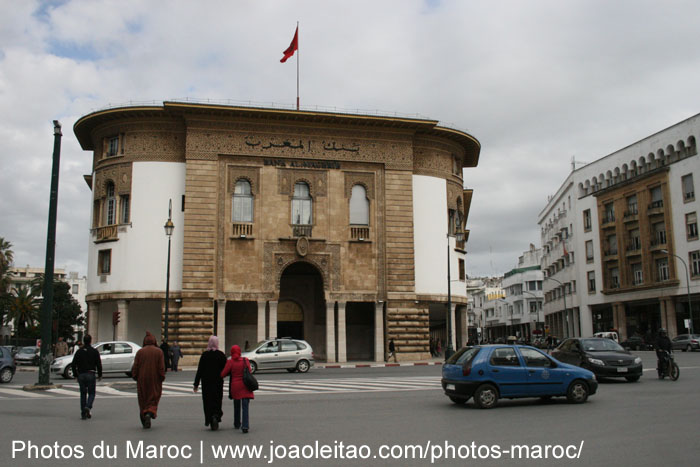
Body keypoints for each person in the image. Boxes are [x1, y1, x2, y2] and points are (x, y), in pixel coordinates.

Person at [132, 332, 165, 429]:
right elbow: (161, 367)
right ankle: (149, 413)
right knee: (153, 397)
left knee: (143, 397)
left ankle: (143, 414)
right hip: (155, 379)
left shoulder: (140, 352)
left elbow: (136, 366)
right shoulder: (159, 352)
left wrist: (135, 376)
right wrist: (161, 377)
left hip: (142, 378)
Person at [193, 336, 227, 430]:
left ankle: (210, 418)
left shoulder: (204, 355)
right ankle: (216, 415)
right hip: (218, 382)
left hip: (206, 383)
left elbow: (199, 370)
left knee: (208, 401)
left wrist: (196, 384)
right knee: (217, 399)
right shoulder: (221, 355)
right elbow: (226, 368)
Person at [220, 344, 255, 433]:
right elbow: (249, 371)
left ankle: (237, 423)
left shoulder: (230, 362)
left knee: (236, 404)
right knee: (245, 406)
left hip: (235, 387)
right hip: (245, 385)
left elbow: (223, 374)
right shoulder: (245, 360)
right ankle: (245, 426)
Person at [71, 334, 102, 420]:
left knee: (83, 394)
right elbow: (99, 364)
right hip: (91, 373)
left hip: (81, 374)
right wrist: (100, 375)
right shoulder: (94, 351)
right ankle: (88, 406)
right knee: (92, 393)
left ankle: (83, 413)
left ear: (84, 341)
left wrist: (75, 375)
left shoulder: (79, 351)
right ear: (91, 341)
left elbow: (73, 364)